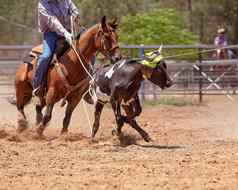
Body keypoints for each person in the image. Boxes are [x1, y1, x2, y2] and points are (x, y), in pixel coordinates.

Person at [32, 0, 80, 96]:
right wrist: (65, 33)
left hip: (68, 31)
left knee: (88, 43)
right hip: (51, 34)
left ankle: (89, 82)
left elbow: (73, 9)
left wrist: (75, 15)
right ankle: (37, 85)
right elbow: (52, 21)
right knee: (46, 56)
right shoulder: (42, 4)